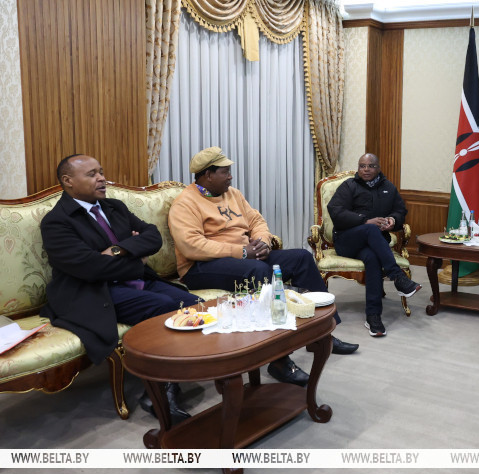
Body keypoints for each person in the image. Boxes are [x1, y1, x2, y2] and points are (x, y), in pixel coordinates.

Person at [167, 147, 359, 387]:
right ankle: (279, 360)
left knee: (301, 258)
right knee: (259, 272)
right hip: (202, 267)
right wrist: (242, 251)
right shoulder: (185, 203)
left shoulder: (233, 194)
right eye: (225, 172)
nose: (230, 176)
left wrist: (263, 243)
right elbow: (192, 246)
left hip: (244, 258)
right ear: (207, 174)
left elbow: (256, 220)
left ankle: (322, 334)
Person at [40, 154, 201, 422]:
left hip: (134, 280)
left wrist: (118, 249)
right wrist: (137, 258)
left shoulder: (114, 206)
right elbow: (92, 268)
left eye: (101, 172)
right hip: (94, 291)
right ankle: (161, 392)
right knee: (164, 308)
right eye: (92, 174)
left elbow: (152, 236)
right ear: (68, 181)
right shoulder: (57, 222)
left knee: (195, 304)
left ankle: (181, 374)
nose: (102, 178)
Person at [326, 153, 422, 338]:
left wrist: (393, 220)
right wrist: (364, 221)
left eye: (370, 166)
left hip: (373, 245)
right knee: (370, 229)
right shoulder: (349, 186)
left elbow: (400, 211)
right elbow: (336, 212)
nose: (366, 169)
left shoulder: (388, 188)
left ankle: (373, 316)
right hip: (347, 240)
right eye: (362, 166)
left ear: (378, 168)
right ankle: (397, 277)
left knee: (373, 259)